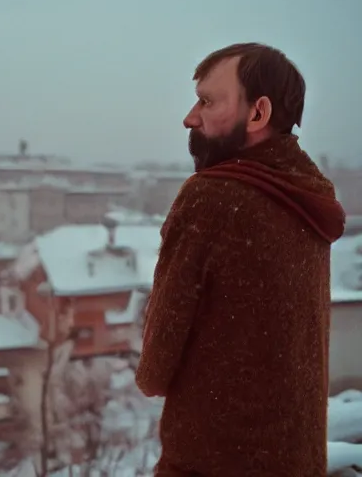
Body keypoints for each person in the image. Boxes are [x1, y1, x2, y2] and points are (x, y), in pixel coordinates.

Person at [135, 43, 346, 476]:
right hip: (297, 460)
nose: (190, 117)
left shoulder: (211, 196)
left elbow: (155, 369)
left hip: (214, 462)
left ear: (257, 114)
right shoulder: (308, 196)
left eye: (207, 101)